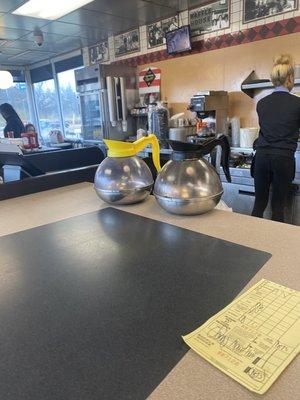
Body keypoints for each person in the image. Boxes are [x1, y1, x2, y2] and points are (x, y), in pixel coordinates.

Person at [251, 54, 300, 222]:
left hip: (262, 158)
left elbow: (270, 127)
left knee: (259, 203)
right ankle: (274, 246)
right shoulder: (297, 103)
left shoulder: (261, 103)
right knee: (278, 206)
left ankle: (250, 242)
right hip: (283, 159)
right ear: (289, 79)